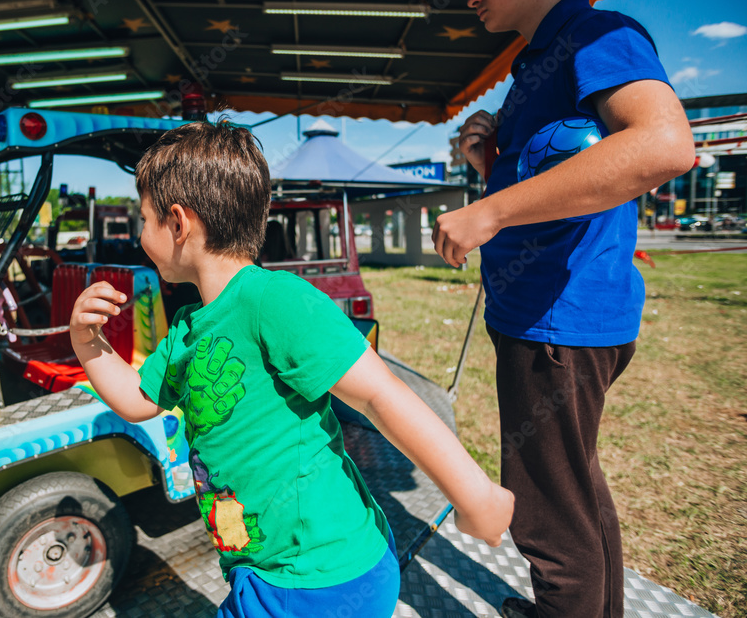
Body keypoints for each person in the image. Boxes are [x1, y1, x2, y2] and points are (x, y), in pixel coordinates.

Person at [71, 121, 515, 618]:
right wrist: (86, 341)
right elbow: (136, 400)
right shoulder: (187, 330)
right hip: (260, 571)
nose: (138, 234)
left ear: (178, 223)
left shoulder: (273, 301)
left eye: (145, 218)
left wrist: (474, 495)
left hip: (321, 579)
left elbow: (379, 395)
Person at [432, 0, 696, 617]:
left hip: (557, 323)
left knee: (548, 523)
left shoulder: (597, 36)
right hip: (552, 316)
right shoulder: (535, 66)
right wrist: (489, 158)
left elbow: (664, 145)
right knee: (577, 496)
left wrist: (484, 211)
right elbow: (565, 178)